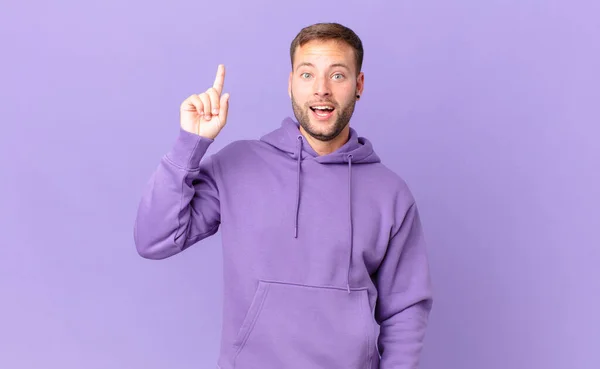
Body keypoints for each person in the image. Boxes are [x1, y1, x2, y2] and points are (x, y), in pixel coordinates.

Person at [134, 22, 433, 369]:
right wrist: (190, 144)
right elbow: (153, 239)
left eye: (337, 75)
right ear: (290, 83)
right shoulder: (238, 165)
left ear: (358, 85)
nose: (322, 90)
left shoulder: (390, 194)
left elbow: (406, 310)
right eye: (307, 75)